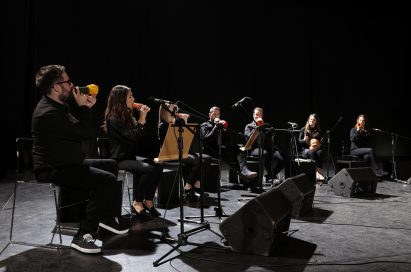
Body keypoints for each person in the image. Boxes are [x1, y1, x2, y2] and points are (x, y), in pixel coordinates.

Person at [32, 65, 129, 254]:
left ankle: (106, 218)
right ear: (56, 87)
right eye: (67, 81)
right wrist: (84, 108)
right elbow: (85, 133)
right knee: (106, 179)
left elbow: (79, 129)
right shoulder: (48, 113)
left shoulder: (59, 106)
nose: (72, 85)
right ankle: (84, 234)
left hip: (70, 163)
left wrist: (86, 108)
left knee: (110, 165)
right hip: (53, 168)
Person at [105, 85, 163, 217]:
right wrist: (142, 118)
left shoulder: (127, 116)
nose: (134, 99)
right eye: (130, 96)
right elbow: (133, 136)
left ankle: (148, 201)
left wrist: (139, 118)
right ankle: (137, 202)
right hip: (120, 159)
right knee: (148, 169)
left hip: (131, 156)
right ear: (120, 100)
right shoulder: (113, 119)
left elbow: (138, 136)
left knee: (158, 165)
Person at [158, 103, 211, 201]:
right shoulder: (163, 125)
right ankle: (189, 186)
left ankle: (194, 185)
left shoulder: (174, 122)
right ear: (165, 111)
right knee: (199, 161)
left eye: (174, 110)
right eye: (172, 110)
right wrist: (181, 123)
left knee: (207, 158)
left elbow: (185, 140)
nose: (174, 112)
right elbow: (174, 141)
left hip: (180, 152)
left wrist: (184, 122)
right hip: (169, 153)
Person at [200, 106, 257, 183]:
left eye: (218, 114)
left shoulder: (221, 125)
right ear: (209, 114)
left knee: (240, 148)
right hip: (211, 150)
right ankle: (246, 179)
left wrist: (225, 130)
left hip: (222, 148)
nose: (216, 116)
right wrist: (215, 127)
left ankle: (244, 173)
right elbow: (206, 139)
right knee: (233, 161)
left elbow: (227, 139)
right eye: (214, 114)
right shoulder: (205, 125)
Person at [244, 107, 286, 188]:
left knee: (283, 158)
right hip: (254, 149)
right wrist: (256, 129)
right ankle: (270, 177)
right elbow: (248, 138)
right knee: (265, 153)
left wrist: (272, 133)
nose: (258, 116)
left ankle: (270, 175)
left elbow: (271, 140)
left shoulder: (265, 125)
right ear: (253, 115)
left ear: (262, 116)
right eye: (256, 114)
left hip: (268, 148)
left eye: (259, 115)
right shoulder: (249, 126)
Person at [298, 113, 325, 180]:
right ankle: (315, 172)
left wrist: (318, 145)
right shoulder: (304, 129)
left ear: (316, 121)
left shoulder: (317, 131)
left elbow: (319, 142)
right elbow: (299, 141)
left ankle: (320, 170)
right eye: (310, 119)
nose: (311, 121)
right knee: (311, 152)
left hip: (314, 148)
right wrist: (304, 140)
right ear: (308, 120)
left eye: (313, 120)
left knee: (320, 152)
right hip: (305, 149)